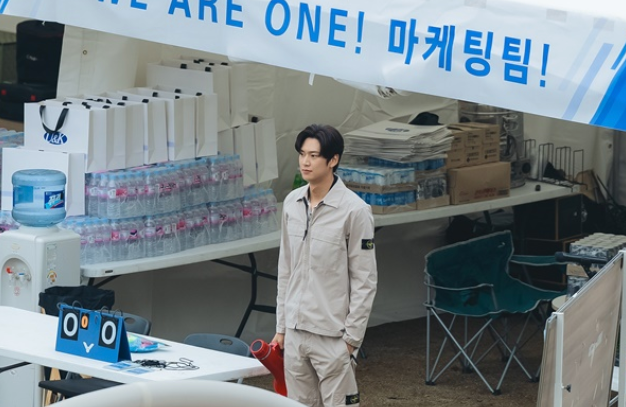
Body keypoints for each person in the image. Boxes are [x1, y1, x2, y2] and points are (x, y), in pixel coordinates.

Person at [272, 124, 378, 407]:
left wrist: (351, 340)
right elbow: (285, 269)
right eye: (302, 154)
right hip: (295, 333)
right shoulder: (292, 203)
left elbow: (365, 280)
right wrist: (282, 328)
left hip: (333, 336)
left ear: (333, 160)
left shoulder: (355, 211)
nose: (305, 162)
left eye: (314, 155)